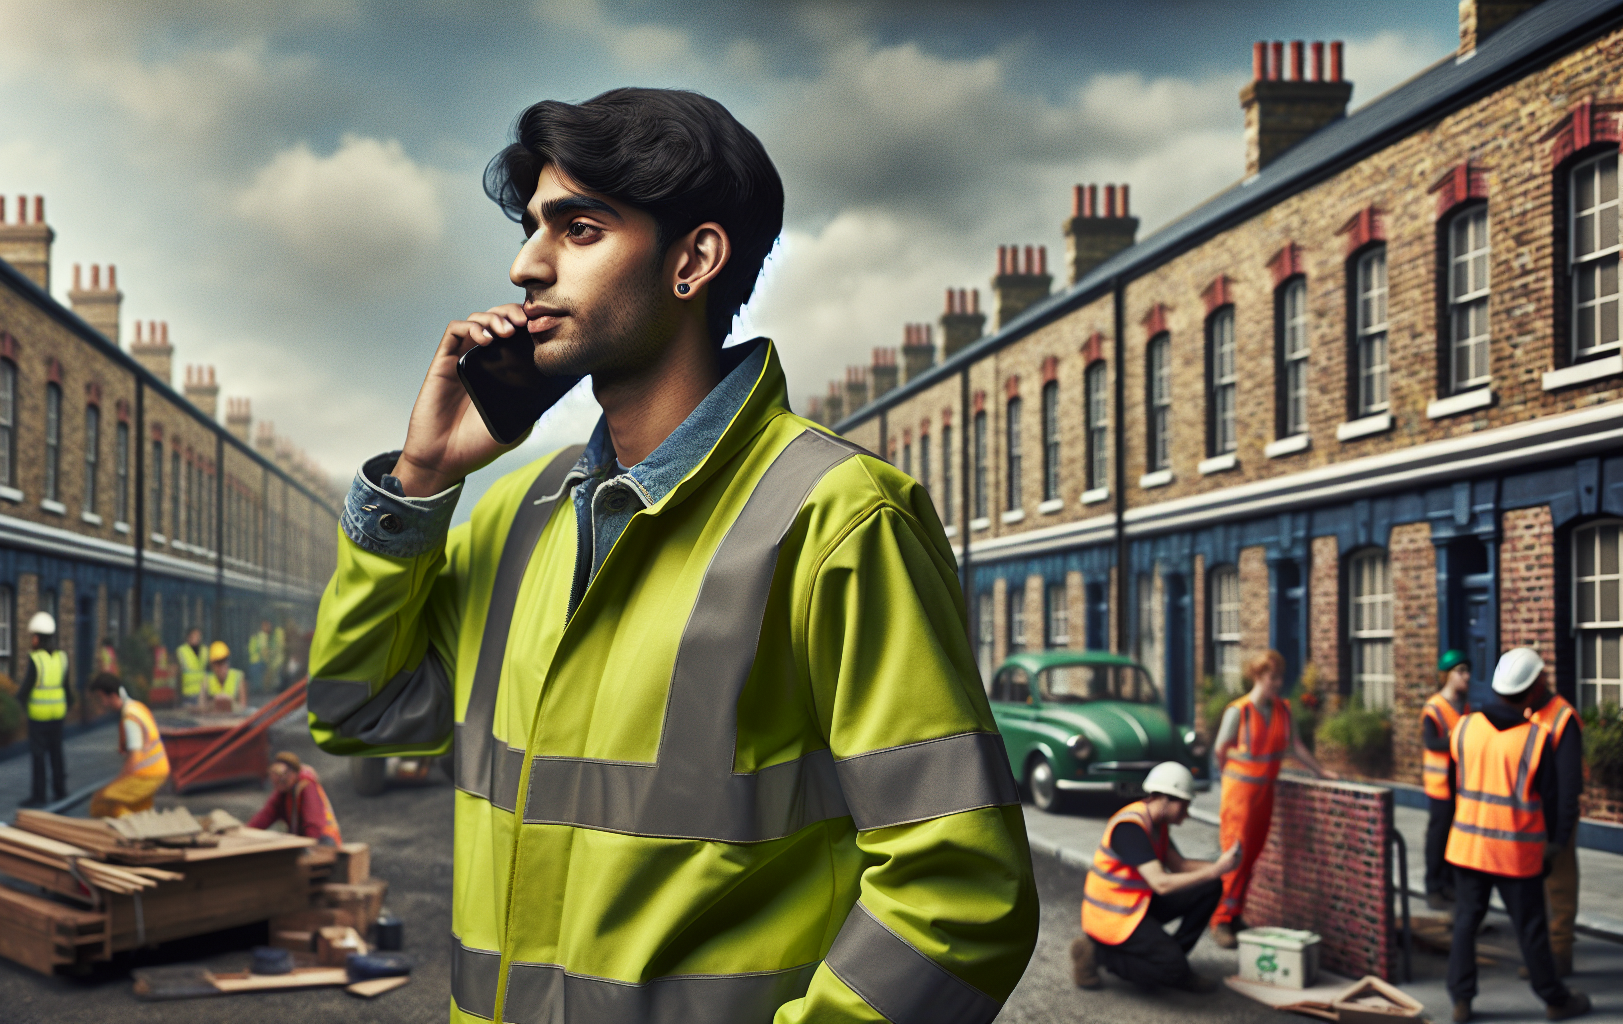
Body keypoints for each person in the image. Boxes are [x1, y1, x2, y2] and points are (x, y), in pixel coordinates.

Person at [307, 87, 1035, 1021]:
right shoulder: (514, 514)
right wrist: (419, 481)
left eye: (578, 230)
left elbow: (959, 892)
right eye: (532, 228)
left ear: (693, 259)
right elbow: (358, 714)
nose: (526, 266)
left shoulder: (840, 519)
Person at [1445, 647, 1589, 1022]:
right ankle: (1555, 999)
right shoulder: (1534, 739)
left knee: (1465, 923)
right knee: (1531, 928)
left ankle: (1461, 1001)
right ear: (1533, 687)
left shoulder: (1464, 727)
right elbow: (1553, 799)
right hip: (1515, 853)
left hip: (1467, 848)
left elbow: (1451, 786)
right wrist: (1554, 844)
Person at [1071, 763, 1241, 992]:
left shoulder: (1158, 825)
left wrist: (1224, 866)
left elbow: (1179, 865)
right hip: (1112, 917)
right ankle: (1097, 953)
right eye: (1184, 805)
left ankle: (1174, 960)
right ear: (1166, 799)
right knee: (1171, 969)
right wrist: (1215, 870)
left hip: (1137, 904)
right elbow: (1160, 883)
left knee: (1210, 885)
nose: (1187, 813)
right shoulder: (1130, 828)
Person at [1210, 649, 1336, 948]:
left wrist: (1320, 771)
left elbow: (1295, 746)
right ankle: (1220, 919)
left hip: (1264, 795)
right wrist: (1231, 778)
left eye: (1280, 678)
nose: (1277, 683)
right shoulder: (1239, 711)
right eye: (1272, 678)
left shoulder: (1282, 710)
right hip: (1240, 798)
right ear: (1257, 676)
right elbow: (1220, 750)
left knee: (1252, 856)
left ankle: (1235, 913)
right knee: (1235, 855)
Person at [1525, 664, 1584, 979]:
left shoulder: (1563, 718)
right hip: (1532, 816)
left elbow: (1569, 786)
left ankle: (1560, 955)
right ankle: (1542, 957)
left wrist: (1560, 837)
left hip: (1556, 818)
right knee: (1535, 890)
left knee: (1559, 886)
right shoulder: (1529, 713)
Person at [1422, 649, 1471, 910]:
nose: (1467, 676)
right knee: (1438, 837)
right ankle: (1433, 886)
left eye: (1467, 671)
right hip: (1440, 784)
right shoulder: (1434, 708)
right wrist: (1458, 740)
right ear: (1447, 675)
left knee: (1456, 837)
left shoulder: (1465, 707)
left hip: (1460, 784)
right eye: (1460, 671)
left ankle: (1450, 884)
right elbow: (1431, 742)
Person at [88, 674, 170, 818]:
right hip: (158, 770)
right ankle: (146, 825)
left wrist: (117, 782)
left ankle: (129, 828)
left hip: (145, 774)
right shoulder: (137, 707)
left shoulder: (130, 717)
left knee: (102, 802)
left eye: (101, 699)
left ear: (113, 696)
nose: (103, 704)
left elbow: (134, 758)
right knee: (138, 809)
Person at [17, 611, 72, 807]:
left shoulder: (36, 658)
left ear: (38, 638)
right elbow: (66, 688)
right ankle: (60, 790)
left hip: (38, 716)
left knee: (39, 757)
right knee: (57, 753)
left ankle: (39, 796)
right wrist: (68, 706)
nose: (32, 640)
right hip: (58, 714)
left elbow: (26, 687)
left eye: (33, 636)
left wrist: (20, 703)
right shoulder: (62, 658)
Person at [247, 751, 342, 846]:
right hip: (304, 837)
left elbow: (313, 824)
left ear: (293, 773)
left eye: (284, 775)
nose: (280, 779)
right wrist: (247, 832)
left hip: (323, 838)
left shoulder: (306, 786)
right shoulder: (283, 792)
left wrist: (309, 847)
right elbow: (265, 816)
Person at [204, 641, 246, 711]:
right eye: (218, 662)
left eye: (224, 661)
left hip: (233, 717)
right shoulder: (207, 680)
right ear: (212, 665)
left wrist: (230, 702)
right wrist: (215, 702)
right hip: (214, 717)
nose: (222, 666)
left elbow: (243, 708)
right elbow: (201, 708)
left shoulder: (238, 677)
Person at [176, 627, 207, 704]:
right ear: (188, 637)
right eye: (194, 636)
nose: (197, 638)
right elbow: (178, 673)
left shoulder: (205, 650)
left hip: (202, 692)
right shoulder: (182, 650)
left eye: (198, 636)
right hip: (188, 693)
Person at [247, 620, 273, 692]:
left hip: (253, 662)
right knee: (260, 687)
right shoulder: (263, 636)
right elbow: (264, 650)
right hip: (259, 663)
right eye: (268, 625)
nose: (270, 627)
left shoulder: (256, 636)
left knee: (256, 686)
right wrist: (268, 663)